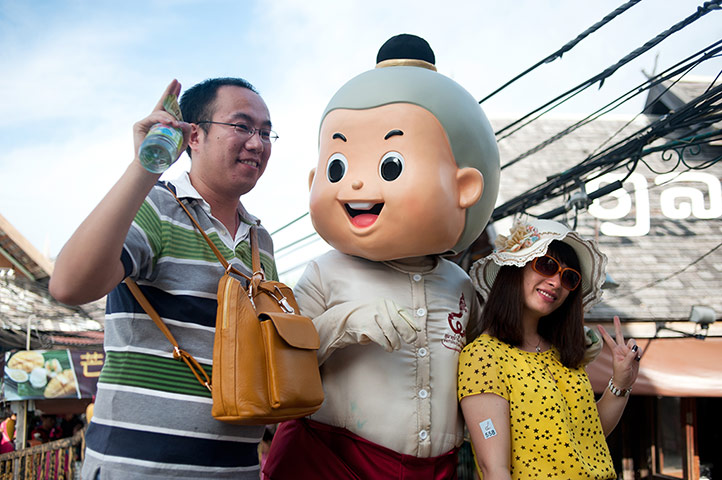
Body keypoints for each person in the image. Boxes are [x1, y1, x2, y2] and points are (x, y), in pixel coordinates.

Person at [263, 34, 500, 479]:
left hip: (436, 468)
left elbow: (487, 364)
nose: (355, 185)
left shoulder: (460, 284)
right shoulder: (325, 272)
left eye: (391, 165)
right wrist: (343, 323)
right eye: (338, 168)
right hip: (329, 458)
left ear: (465, 186)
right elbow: (278, 360)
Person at [49, 77, 279, 479]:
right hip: (136, 470)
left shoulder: (261, 241)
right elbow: (69, 285)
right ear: (194, 135)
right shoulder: (157, 207)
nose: (257, 143)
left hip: (237, 471)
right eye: (241, 126)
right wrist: (145, 165)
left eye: (265, 131)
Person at [458, 218, 641, 479]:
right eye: (546, 265)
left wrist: (621, 384)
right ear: (515, 268)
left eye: (569, 278)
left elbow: (588, 435)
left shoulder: (562, 354)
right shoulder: (484, 356)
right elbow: (494, 469)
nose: (556, 282)